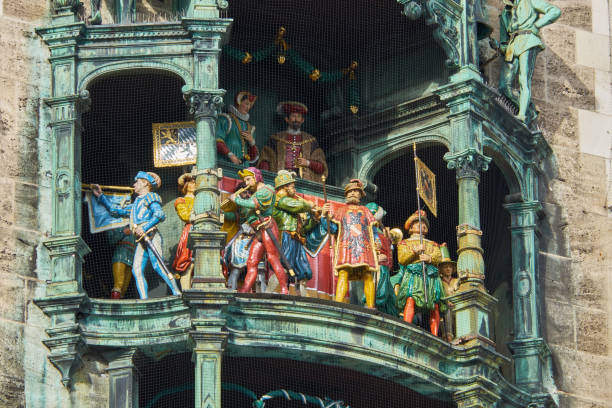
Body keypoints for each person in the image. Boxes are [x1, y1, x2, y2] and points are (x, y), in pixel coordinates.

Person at [91, 172, 181, 299]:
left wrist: (144, 227)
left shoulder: (151, 197)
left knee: (157, 265)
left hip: (151, 235)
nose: (134, 184)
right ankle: (144, 299)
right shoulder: (134, 206)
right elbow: (114, 211)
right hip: (141, 239)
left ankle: (176, 291)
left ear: (145, 183)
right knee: (136, 269)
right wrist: (100, 196)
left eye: (137, 181)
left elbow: (160, 215)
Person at [490, 0, 560, 123]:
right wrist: (497, 47)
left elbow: (555, 11)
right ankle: (529, 109)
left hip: (528, 40)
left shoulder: (530, 1)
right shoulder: (505, 14)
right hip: (513, 46)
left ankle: (522, 114)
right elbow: (504, 43)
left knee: (524, 79)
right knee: (503, 86)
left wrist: (537, 25)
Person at [229, 167, 289, 294]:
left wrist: (237, 200)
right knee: (251, 261)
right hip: (258, 231)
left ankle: (284, 289)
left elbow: (253, 204)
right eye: (245, 180)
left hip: (267, 227)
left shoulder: (267, 189)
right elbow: (246, 211)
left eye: (248, 179)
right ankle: (245, 289)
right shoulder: (255, 193)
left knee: (272, 258)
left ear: (256, 177)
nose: (246, 183)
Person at [322, 179, 378, 308]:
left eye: (356, 191)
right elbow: (333, 229)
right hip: (346, 246)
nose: (352, 193)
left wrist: (377, 240)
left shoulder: (366, 210)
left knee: (367, 274)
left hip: (364, 247)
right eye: (350, 191)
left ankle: (370, 306)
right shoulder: (341, 210)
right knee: (344, 272)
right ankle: (338, 303)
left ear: (360, 195)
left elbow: (372, 229)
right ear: (346, 195)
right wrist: (324, 216)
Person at [393, 210, 446, 336]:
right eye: (418, 224)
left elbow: (438, 257)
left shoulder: (432, 244)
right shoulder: (404, 243)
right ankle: (407, 327)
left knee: (435, 305)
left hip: (430, 276)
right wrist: (415, 252)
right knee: (410, 298)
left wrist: (429, 258)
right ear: (411, 228)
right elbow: (402, 259)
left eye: (424, 225)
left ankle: (435, 333)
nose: (422, 226)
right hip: (414, 274)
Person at [272, 170, 317, 296]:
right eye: (292, 187)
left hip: (296, 239)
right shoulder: (280, 200)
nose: (295, 189)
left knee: (303, 272)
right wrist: (309, 205)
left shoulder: (293, 205)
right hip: (285, 237)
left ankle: (302, 298)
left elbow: (303, 229)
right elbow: (296, 205)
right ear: (284, 187)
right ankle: (269, 292)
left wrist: (315, 218)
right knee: (283, 267)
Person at [258, 101, 328, 182]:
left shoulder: (311, 141)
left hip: (303, 182)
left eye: (298, 116)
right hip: (280, 180)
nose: (296, 119)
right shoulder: (276, 139)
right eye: (293, 116)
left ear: (302, 120)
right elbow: (265, 161)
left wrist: (308, 163)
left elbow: (321, 167)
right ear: (287, 119)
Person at [365, 202, 398, 316]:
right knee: (378, 286)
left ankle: (383, 310)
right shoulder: (368, 230)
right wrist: (375, 255)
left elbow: (389, 249)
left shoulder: (382, 231)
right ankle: (371, 305)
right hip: (375, 263)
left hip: (385, 264)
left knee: (386, 290)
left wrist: (389, 240)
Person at [216, 91, 260, 165]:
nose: (248, 107)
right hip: (226, 164)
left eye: (250, 105)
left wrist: (252, 142)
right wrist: (231, 155)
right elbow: (217, 141)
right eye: (246, 104)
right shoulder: (225, 120)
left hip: (244, 168)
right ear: (238, 102)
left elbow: (252, 158)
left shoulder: (249, 128)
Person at [172, 173, 196, 290]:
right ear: (185, 185)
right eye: (191, 182)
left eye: (195, 182)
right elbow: (185, 216)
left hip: (202, 229)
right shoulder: (181, 200)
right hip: (190, 230)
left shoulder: (201, 198)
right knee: (187, 263)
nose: (194, 184)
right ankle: (186, 291)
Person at [106, 226, 136, 299]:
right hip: (120, 254)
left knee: (125, 286)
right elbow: (111, 240)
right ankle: (115, 303)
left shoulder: (134, 224)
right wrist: (123, 233)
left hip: (132, 255)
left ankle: (120, 301)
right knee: (118, 283)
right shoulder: (114, 224)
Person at [438, 243, 458, 342]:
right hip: (445, 307)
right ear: (441, 269)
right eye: (445, 267)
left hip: (457, 306)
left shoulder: (457, 281)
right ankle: (448, 336)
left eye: (450, 267)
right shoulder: (439, 282)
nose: (448, 269)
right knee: (446, 312)